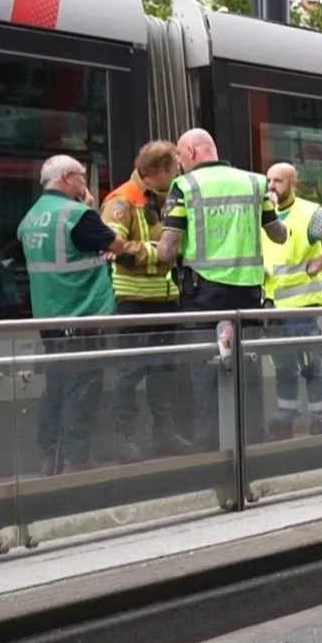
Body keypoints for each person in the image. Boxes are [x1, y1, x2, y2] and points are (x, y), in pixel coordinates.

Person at [157, 129, 288, 449]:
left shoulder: (184, 187)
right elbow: (279, 235)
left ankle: (210, 440)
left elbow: (167, 251)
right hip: (247, 293)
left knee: (206, 367)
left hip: (204, 295)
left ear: (189, 152)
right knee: (248, 363)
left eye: (179, 157)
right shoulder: (256, 183)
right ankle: (252, 433)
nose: (179, 164)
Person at [18, 155, 134, 475]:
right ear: (68, 178)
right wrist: (93, 210)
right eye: (82, 177)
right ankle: (76, 458)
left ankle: (49, 457)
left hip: (49, 318)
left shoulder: (32, 217)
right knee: (81, 390)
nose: (85, 184)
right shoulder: (77, 214)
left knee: (54, 388)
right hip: (82, 315)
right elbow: (117, 245)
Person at [100, 141, 185, 460]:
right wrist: (161, 253)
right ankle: (124, 437)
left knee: (164, 371)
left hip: (167, 298)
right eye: (174, 170)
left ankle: (165, 435)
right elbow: (114, 248)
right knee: (129, 373)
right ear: (158, 171)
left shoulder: (167, 198)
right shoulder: (122, 200)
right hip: (134, 300)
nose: (178, 175)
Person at [261, 163, 322, 438]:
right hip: (273, 308)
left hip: (301, 308)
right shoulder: (264, 214)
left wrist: (321, 262)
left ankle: (321, 420)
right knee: (284, 369)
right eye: (269, 181)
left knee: (310, 366)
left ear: (293, 184)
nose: (272, 187)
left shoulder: (308, 213)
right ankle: (285, 419)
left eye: (278, 181)